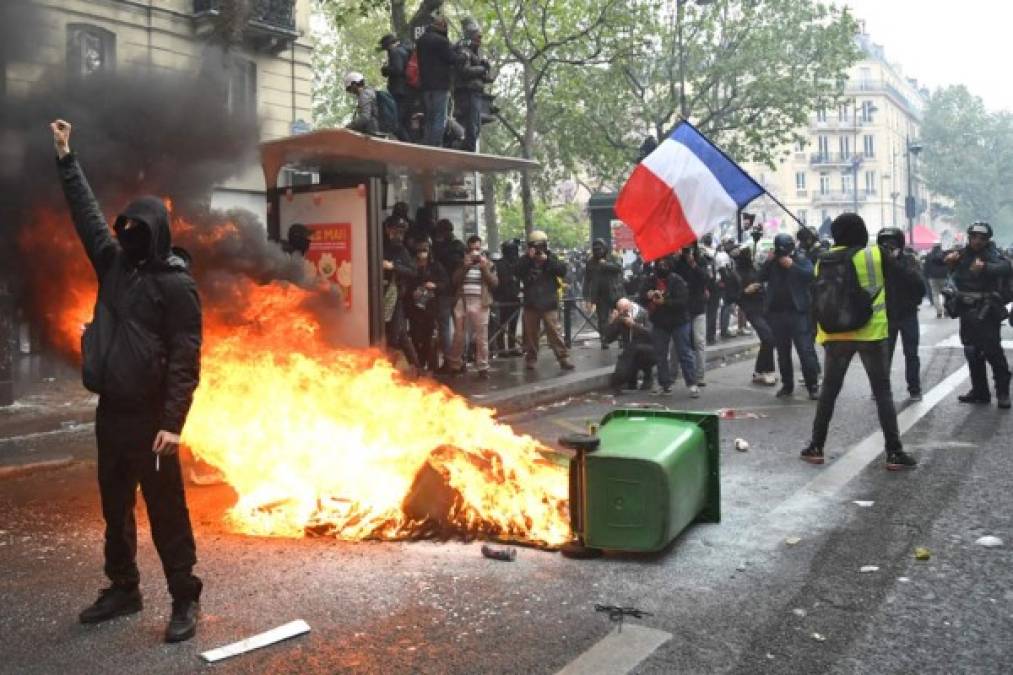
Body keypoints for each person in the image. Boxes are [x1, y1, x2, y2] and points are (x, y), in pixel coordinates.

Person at [52, 120, 203, 643]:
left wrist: (173, 423)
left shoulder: (177, 286)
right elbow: (87, 217)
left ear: (157, 234)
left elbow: (187, 359)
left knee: (167, 513)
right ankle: (124, 587)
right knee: (114, 508)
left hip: (152, 421)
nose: (128, 237)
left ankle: (184, 595)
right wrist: (66, 159)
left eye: (139, 231)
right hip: (111, 414)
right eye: (125, 231)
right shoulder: (113, 265)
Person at [801, 213, 918, 469]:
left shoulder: (823, 260)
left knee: (829, 393)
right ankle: (894, 452)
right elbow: (911, 281)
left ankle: (816, 447)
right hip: (870, 334)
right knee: (882, 392)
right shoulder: (875, 255)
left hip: (835, 335)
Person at [944, 222, 1011, 408]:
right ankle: (980, 391)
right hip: (966, 309)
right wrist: (949, 263)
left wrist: (986, 268)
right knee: (972, 351)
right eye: (974, 237)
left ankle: (1003, 392)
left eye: (982, 238)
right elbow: (951, 274)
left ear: (987, 240)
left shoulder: (993, 254)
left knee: (993, 352)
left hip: (986, 310)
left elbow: (1006, 267)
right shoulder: (962, 254)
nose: (977, 241)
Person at [759, 233, 820, 400]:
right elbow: (760, 276)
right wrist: (769, 260)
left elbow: (810, 275)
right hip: (777, 313)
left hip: (798, 313)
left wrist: (792, 266)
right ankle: (787, 385)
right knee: (783, 353)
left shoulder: (800, 258)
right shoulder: (772, 261)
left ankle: (812, 385)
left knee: (805, 351)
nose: (782, 255)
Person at [878, 227, 927, 401]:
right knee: (884, 354)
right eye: (884, 244)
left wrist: (895, 263)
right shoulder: (877, 263)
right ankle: (881, 389)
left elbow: (920, 285)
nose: (888, 247)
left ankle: (914, 388)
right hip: (887, 314)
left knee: (911, 353)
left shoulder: (909, 260)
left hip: (907, 313)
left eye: (892, 243)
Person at [516, 230, 575, 371]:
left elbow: (562, 270)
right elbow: (516, 272)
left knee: (554, 331)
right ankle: (531, 358)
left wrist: (546, 260)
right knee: (530, 334)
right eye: (535, 246)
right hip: (531, 302)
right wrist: (529, 259)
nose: (538, 250)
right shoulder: (525, 260)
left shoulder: (551, 257)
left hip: (548, 302)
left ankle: (563, 358)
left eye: (541, 246)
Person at [640, 256, 697, 397]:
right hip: (660, 323)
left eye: (665, 265)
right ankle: (664, 384)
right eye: (660, 264)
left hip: (679, 322)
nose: (662, 267)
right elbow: (640, 297)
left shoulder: (677, 280)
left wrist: (665, 301)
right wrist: (648, 295)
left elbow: (682, 302)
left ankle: (692, 384)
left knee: (684, 353)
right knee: (660, 354)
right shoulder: (651, 280)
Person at [447, 235, 498, 378]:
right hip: (462, 301)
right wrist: (465, 266)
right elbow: (454, 281)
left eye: (477, 248)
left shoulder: (488, 264)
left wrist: (484, 268)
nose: (475, 252)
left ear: (481, 249)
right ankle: (455, 364)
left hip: (481, 302)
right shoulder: (462, 263)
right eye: (472, 249)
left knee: (482, 337)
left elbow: (494, 283)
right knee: (459, 335)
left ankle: (483, 367)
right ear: (467, 250)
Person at [382, 216, 422, 372]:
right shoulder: (378, 245)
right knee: (400, 335)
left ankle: (390, 369)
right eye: (395, 231)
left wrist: (393, 266)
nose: (398, 235)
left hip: (394, 297)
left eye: (401, 232)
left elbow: (412, 271)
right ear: (387, 230)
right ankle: (416, 367)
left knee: (395, 335)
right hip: (376, 295)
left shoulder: (402, 250)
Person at [734, 246, 777, 386]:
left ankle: (759, 371)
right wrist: (745, 291)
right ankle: (768, 370)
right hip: (752, 310)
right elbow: (732, 295)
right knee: (768, 337)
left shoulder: (754, 268)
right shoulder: (736, 274)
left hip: (764, 307)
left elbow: (763, 276)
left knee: (769, 339)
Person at [405, 239, 449, 372]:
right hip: (414, 307)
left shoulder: (436, 266)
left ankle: (428, 364)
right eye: (419, 250)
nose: (422, 253)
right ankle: (417, 363)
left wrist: (434, 285)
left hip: (430, 306)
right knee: (415, 335)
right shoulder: (411, 265)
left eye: (425, 250)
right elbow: (406, 282)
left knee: (428, 336)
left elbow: (446, 284)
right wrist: (413, 292)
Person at [415, 16, 460, 147]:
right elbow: (452, 59)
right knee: (439, 117)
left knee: (429, 116)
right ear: (443, 26)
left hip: (425, 85)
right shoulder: (442, 41)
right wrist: (460, 55)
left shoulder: (421, 40)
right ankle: (435, 145)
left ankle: (427, 143)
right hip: (440, 84)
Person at [453, 22, 494, 152]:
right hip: (467, 92)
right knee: (471, 124)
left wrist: (486, 68)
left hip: (475, 92)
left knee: (475, 124)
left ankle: (466, 146)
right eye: (478, 37)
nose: (480, 40)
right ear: (470, 37)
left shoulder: (475, 54)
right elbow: (464, 71)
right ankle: (466, 147)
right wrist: (482, 68)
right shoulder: (463, 51)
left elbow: (484, 77)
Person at [673, 245, 709, 387]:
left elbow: (706, 278)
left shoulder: (701, 261)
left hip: (698, 307)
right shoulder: (677, 264)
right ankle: (673, 374)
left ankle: (700, 376)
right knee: (677, 343)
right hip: (682, 308)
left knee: (699, 342)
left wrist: (694, 264)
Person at [602, 297, 655, 395]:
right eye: (621, 311)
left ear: (631, 306)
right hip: (630, 351)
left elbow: (652, 335)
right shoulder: (621, 317)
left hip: (649, 349)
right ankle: (628, 380)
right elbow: (608, 339)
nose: (624, 313)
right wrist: (612, 322)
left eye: (626, 310)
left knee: (636, 351)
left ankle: (648, 376)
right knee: (628, 355)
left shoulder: (644, 313)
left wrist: (634, 325)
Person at [583, 238, 625, 351]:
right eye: (595, 249)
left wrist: (606, 264)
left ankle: (621, 339)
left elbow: (619, 268)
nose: (597, 252)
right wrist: (587, 298)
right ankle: (604, 340)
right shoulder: (590, 262)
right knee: (602, 319)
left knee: (621, 316)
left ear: (605, 249)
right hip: (600, 295)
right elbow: (587, 280)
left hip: (615, 293)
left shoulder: (612, 257)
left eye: (599, 249)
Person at [431, 219, 460, 368]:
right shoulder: (459, 246)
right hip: (459, 291)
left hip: (444, 292)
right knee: (460, 327)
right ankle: (459, 360)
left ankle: (449, 360)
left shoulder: (438, 249)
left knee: (444, 328)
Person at [378, 33, 413, 140]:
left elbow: (398, 69)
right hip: (407, 89)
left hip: (398, 91)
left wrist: (385, 69)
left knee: (395, 121)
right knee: (403, 120)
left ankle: (407, 144)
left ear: (389, 45)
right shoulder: (405, 50)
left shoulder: (395, 51)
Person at [491, 239, 522, 356]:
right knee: (502, 325)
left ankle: (512, 347)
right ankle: (502, 349)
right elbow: (500, 282)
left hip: (515, 298)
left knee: (513, 325)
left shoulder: (518, 263)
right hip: (502, 299)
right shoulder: (499, 264)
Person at [923, 243, 949, 318]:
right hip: (944, 276)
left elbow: (926, 267)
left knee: (935, 294)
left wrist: (926, 276)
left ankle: (939, 311)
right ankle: (946, 310)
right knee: (946, 294)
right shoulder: (944, 254)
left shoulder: (929, 255)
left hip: (933, 277)